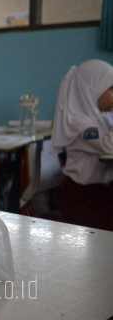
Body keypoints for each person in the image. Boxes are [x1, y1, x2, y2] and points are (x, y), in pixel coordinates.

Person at [51, 59, 113, 230]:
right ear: (91, 91)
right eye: (111, 90)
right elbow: (110, 146)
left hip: (102, 192)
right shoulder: (80, 125)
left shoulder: (104, 117)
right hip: (81, 197)